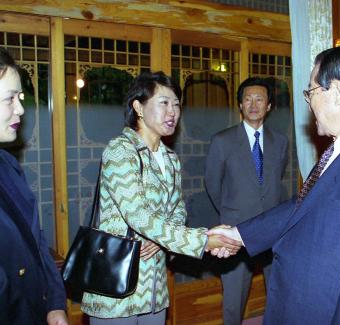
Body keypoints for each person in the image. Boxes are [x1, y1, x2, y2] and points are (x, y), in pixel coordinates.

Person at [208, 46, 340, 324]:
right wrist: (239, 234)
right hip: (297, 301)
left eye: (311, 92)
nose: (309, 102)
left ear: (337, 92)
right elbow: (303, 206)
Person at [80, 71, 242, 324]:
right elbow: (138, 216)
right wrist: (203, 240)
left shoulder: (170, 158)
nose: (173, 112)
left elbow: (177, 210)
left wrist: (162, 240)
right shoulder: (120, 151)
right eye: (164, 103)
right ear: (139, 107)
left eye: (177, 104)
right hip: (115, 286)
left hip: (154, 288)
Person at [205, 77, 288, 325]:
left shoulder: (280, 141)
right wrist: (231, 212)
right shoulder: (222, 140)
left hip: (272, 230)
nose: (254, 105)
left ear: (269, 106)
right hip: (235, 231)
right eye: (248, 99)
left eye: (260, 99)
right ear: (240, 105)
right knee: (234, 299)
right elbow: (212, 184)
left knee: (277, 292)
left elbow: (276, 181)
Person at [0, 48, 68, 324]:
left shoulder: (8, 165)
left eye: (20, 97)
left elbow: (35, 240)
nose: (20, 109)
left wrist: (54, 302)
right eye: (9, 99)